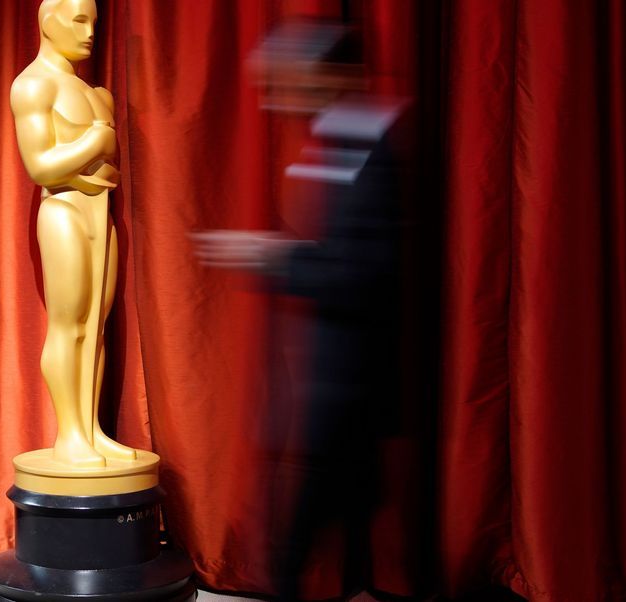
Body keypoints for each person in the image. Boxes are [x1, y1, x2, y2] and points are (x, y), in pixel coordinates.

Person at [193, 19, 411, 600]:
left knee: (295, 541)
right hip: (333, 378)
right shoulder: (341, 137)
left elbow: (365, 272)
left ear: (328, 78)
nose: (272, 97)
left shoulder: (369, 145)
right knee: (346, 511)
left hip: (349, 382)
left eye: (284, 81)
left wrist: (271, 256)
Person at [10, 0, 137, 468]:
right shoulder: (33, 85)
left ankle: (92, 430)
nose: (89, 34)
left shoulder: (90, 91)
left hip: (96, 212)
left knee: (94, 326)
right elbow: (40, 166)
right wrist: (94, 142)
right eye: (78, 20)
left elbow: (110, 176)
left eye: (94, 24)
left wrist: (92, 162)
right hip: (63, 211)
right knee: (68, 324)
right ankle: (71, 436)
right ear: (49, 21)